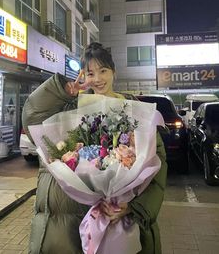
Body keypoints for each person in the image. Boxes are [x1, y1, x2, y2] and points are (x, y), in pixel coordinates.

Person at [22, 42, 167, 254]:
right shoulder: (70, 105)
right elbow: (31, 117)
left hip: (122, 217)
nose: (97, 79)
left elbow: (157, 160)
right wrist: (64, 90)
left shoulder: (134, 108)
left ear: (114, 72)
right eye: (90, 73)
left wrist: (133, 207)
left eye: (103, 71)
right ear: (83, 76)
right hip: (70, 217)